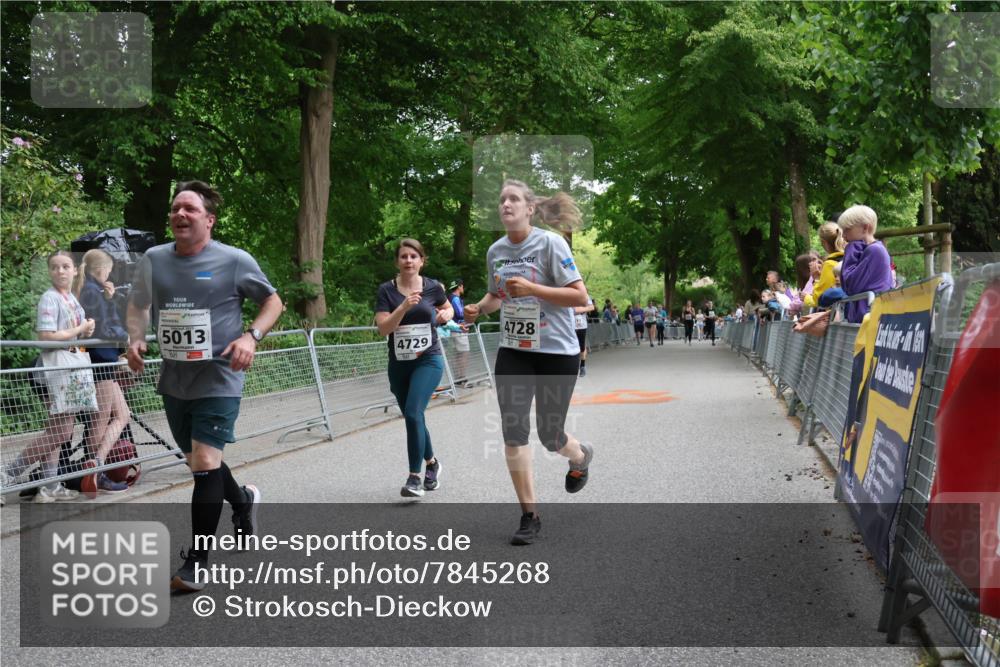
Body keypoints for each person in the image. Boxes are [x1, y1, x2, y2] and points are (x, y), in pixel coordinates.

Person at [127, 180, 283, 592]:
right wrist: (135, 337)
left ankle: (197, 561)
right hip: (175, 379)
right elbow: (138, 304)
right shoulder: (154, 259)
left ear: (209, 220)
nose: (180, 215)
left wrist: (251, 337)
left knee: (205, 462)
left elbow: (273, 302)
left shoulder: (234, 260)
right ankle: (243, 499)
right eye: (176, 208)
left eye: (190, 210)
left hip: (220, 376)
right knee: (198, 461)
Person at [463, 179, 594, 546]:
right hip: (515, 350)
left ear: (530, 208)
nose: (506, 204)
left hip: (556, 351)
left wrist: (534, 289)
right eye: (502, 199)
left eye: (514, 199)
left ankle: (580, 456)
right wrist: (479, 308)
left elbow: (579, 295)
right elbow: (497, 294)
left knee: (551, 437)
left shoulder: (551, 243)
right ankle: (529, 515)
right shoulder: (496, 251)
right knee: (514, 431)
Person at [3, 252, 94, 502]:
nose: (60, 271)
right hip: (58, 368)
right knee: (61, 433)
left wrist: (87, 330)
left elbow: (74, 335)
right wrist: (79, 329)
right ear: (49, 272)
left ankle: (49, 485)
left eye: (65, 267)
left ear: (75, 270)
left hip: (73, 367)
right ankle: (6, 476)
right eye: (55, 267)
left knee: (56, 430)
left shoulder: (71, 299)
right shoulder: (49, 298)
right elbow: (47, 336)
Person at [375, 239, 453, 498]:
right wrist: (403, 306)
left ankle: (414, 477)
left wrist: (446, 315)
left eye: (413, 256)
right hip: (399, 364)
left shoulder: (433, 287)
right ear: (397, 261)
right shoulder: (386, 290)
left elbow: (448, 307)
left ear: (422, 260)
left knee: (412, 413)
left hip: (428, 359)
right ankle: (432, 464)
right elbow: (383, 328)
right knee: (414, 417)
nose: (408, 261)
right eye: (404, 257)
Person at [74, 249, 130, 496]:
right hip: (100, 361)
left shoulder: (91, 290)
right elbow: (103, 329)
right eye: (108, 270)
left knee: (122, 414)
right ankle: (95, 469)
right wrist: (125, 337)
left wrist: (109, 299)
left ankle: (96, 463)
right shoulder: (91, 292)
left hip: (100, 360)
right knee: (103, 418)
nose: (110, 274)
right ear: (100, 270)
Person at [838, 205, 893, 323]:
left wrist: (851, 249)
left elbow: (850, 285)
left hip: (869, 320)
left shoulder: (874, 251)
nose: (843, 236)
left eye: (847, 229)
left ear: (865, 228)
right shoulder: (871, 249)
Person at [804, 221, 847, 309]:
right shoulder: (849, 257)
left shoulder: (829, 264)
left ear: (824, 243)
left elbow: (819, 300)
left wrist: (816, 278)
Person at [446, 278, 470, 383]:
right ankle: (461, 378)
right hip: (458, 330)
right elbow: (460, 313)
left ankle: (457, 378)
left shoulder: (449, 297)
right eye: (462, 286)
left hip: (453, 329)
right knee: (464, 353)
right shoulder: (455, 298)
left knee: (457, 353)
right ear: (459, 286)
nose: (463, 288)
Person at [574, 297, 595, 376]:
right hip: (569, 325)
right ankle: (574, 366)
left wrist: (579, 310)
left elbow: (591, 307)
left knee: (581, 346)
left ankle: (582, 366)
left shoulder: (584, 295)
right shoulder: (566, 291)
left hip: (581, 325)